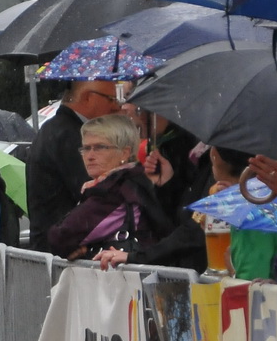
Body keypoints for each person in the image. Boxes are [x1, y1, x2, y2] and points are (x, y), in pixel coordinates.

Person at [47, 114, 175, 263]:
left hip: (131, 279)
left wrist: (84, 248)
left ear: (125, 153)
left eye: (100, 147)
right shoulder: (131, 180)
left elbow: (60, 237)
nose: (90, 156)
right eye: (86, 148)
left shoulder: (116, 189)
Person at [26, 80, 120, 250]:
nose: (115, 107)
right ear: (89, 98)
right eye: (111, 99)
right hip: (61, 251)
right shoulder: (69, 135)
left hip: (53, 247)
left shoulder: (55, 128)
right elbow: (92, 194)